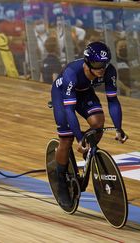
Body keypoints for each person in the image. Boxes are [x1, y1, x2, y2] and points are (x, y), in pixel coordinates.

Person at [50, 41, 128, 207]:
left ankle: (88, 151)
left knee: (98, 123)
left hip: (84, 93)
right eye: (97, 65)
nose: (101, 69)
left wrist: (119, 128)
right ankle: (61, 181)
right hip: (62, 95)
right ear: (87, 63)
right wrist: (79, 138)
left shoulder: (109, 71)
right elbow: (70, 111)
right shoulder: (72, 72)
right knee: (66, 139)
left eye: (104, 65)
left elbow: (113, 101)